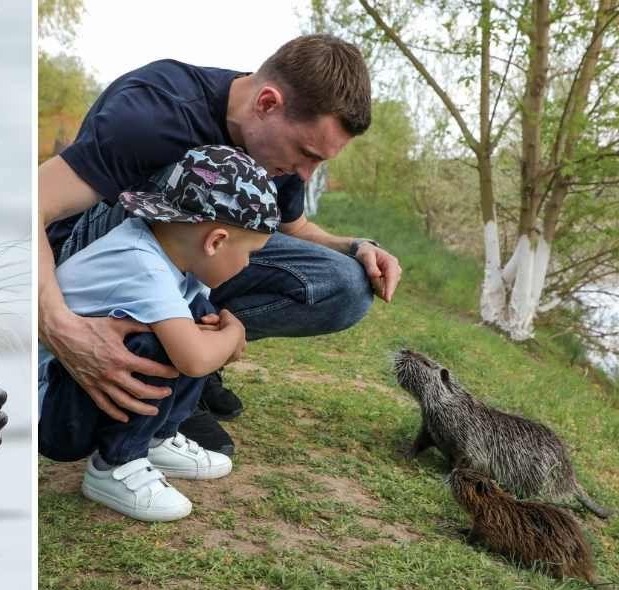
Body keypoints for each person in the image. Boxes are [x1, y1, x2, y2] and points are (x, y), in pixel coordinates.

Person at [38, 34, 403, 456]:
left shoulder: (280, 155)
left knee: (347, 285)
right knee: (163, 210)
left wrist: (357, 247)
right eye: (306, 153)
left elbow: (295, 228)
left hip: (186, 270)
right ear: (267, 103)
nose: (305, 174)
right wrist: (60, 326)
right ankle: (136, 368)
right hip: (94, 257)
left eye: (319, 162)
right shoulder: (153, 111)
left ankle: (184, 363)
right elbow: (31, 207)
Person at [39, 145, 279, 521]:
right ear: (215, 241)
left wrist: (214, 332)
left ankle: (156, 438)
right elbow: (194, 358)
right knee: (167, 343)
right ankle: (115, 464)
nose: (247, 265)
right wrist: (233, 336)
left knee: (197, 317)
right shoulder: (142, 265)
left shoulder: (173, 257)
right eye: (249, 253)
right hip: (51, 410)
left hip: (81, 392)